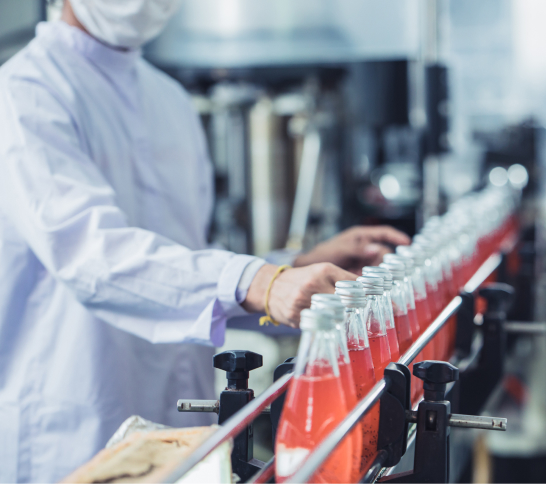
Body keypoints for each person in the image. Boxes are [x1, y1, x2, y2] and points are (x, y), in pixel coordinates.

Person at [0, 0, 409, 481]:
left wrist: (294, 267)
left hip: (182, 427)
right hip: (72, 424)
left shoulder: (168, 99)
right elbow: (93, 257)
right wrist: (261, 282)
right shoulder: (24, 93)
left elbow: (185, 264)